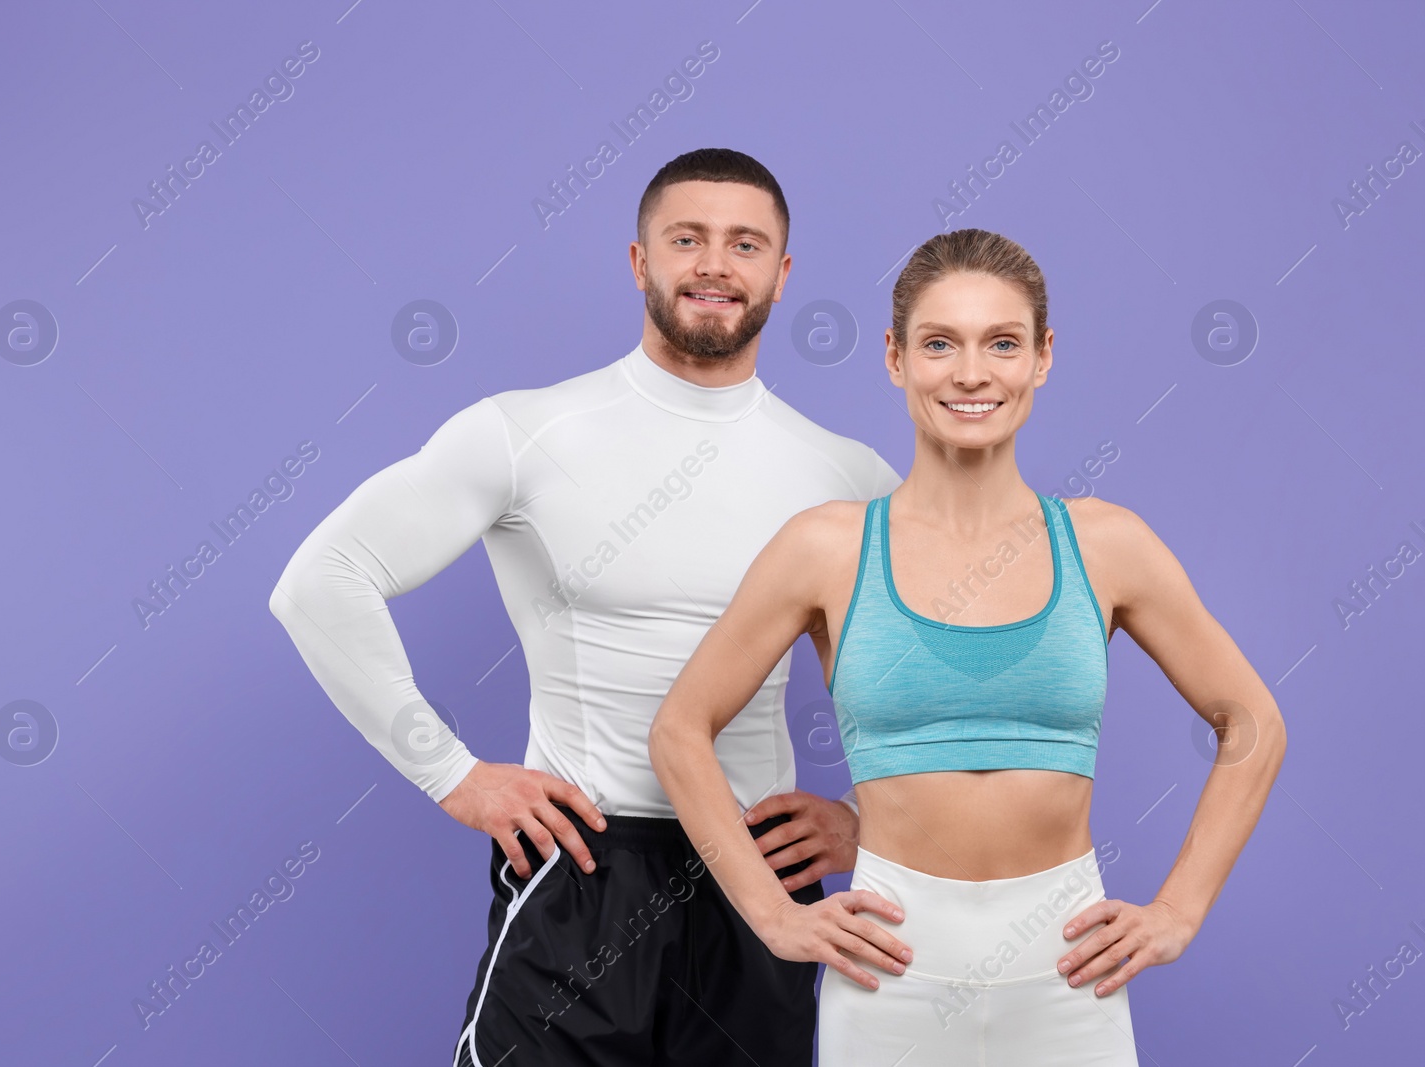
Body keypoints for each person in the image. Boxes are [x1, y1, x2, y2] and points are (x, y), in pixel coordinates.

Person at [267, 148, 903, 1066]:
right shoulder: (525, 433)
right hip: (588, 870)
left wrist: (863, 815)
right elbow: (320, 581)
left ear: (782, 273)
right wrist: (450, 771)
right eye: (687, 239)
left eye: (744, 244)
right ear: (640, 261)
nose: (715, 265)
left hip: (761, 884)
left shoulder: (846, 476)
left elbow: (935, 685)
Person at [649, 228, 1287, 1065]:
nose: (972, 373)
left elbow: (1252, 722)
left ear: (1044, 357)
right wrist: (773, 913)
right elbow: (679, 729)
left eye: (1003, 343)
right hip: (888, 973)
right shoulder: (827, 548)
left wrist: (1177, 911)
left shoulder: (1106, 543)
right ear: (894, 356)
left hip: (1066, 973)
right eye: (940, 343)